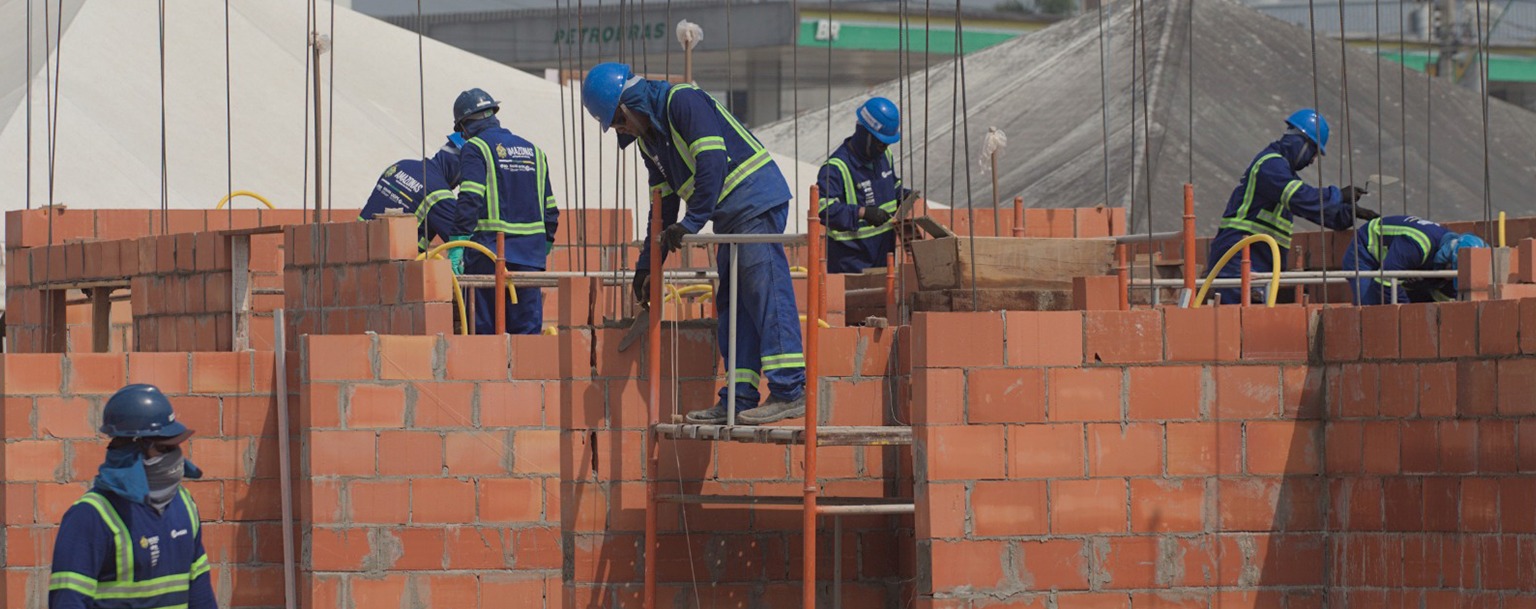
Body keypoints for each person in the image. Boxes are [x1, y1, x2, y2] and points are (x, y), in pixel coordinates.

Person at [581, 62, 806, 425]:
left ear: (625, 108)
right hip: (731, 213)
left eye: (618, 123)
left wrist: (691, 223)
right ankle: (739, 397)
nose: (621, 131)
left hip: (755, 198)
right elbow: (662, 205)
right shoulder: (649, 139)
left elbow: (712, 162)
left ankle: (790, 389)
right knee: (734, 305)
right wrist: (647, 265)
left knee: (765, 292)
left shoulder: (682, 101)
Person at [49, 384, 214, 609]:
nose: (175, 457)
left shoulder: (184, 506)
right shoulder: (91, 516)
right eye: (165, 449)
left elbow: (200, 595)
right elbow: (68, 602)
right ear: (133, 449)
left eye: (175, 447)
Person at [1205, 109, 1377, 304]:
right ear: (1302, 143)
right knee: (1238, 323)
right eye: (1314, 152)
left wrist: (1345, 214)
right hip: (1238, 261)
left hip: (1257, 265)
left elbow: (1311, 208)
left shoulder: (1283, 173)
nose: (1312, 160)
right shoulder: (1270, 165)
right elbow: (1301, 198)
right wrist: (1338, 195)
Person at [449, 88, 559, 335]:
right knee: (527, 336)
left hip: (488, 256)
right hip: (530, 259)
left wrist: (457, 242)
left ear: (464, 126)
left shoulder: (476, 148)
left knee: (484, 336)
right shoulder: (534, 151)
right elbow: (551, 210)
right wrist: (544, 243)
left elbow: (470, 199)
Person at [818, 97, 911, 274]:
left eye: (886, 144)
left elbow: (892, 185)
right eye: (879, 143)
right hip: (851, 265)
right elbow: (825, 209)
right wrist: (862, 213)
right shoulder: (836, 168)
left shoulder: (885, 157)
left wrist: (903, 195)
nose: (883, 148)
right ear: (864, 134)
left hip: (883, 259)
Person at [1342, 215, 1488, 305]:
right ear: (1447, 260)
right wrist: (1406, 314)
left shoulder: (1449, 247)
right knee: (1370, 307)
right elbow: (1385, 282)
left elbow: (1445, 300)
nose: (1450, 280)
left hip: (1397, 262)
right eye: (1451, 273)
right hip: (1365, 251)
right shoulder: (1418, 245)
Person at [360, 135, 464, 260]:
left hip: (354, 249)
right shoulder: (440, 195)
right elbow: (464, 241)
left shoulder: (401, 165)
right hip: (392, 267)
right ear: (459, 165)